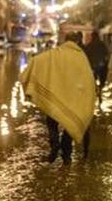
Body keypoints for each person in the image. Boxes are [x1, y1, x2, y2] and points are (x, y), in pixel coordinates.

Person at [20, 32, 96, 165]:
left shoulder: (55, 54)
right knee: (69, 124)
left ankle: (54, 144)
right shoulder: (80, 56)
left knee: (51, 121)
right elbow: (88, 78)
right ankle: (66, 154)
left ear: (65, 40)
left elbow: (39, 60)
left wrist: (30, 69)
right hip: (73, 97)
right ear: (77, 42)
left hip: (56, 94)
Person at [83, 31, 110, 98]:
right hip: (102, 66)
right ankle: (100, 88)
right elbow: (107, 55)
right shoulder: (102, 44)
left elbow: (86, 56)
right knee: (102, 79)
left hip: (92, 67)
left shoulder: (89, 45)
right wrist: (105, 63)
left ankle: (95, 89)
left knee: (92, 80)